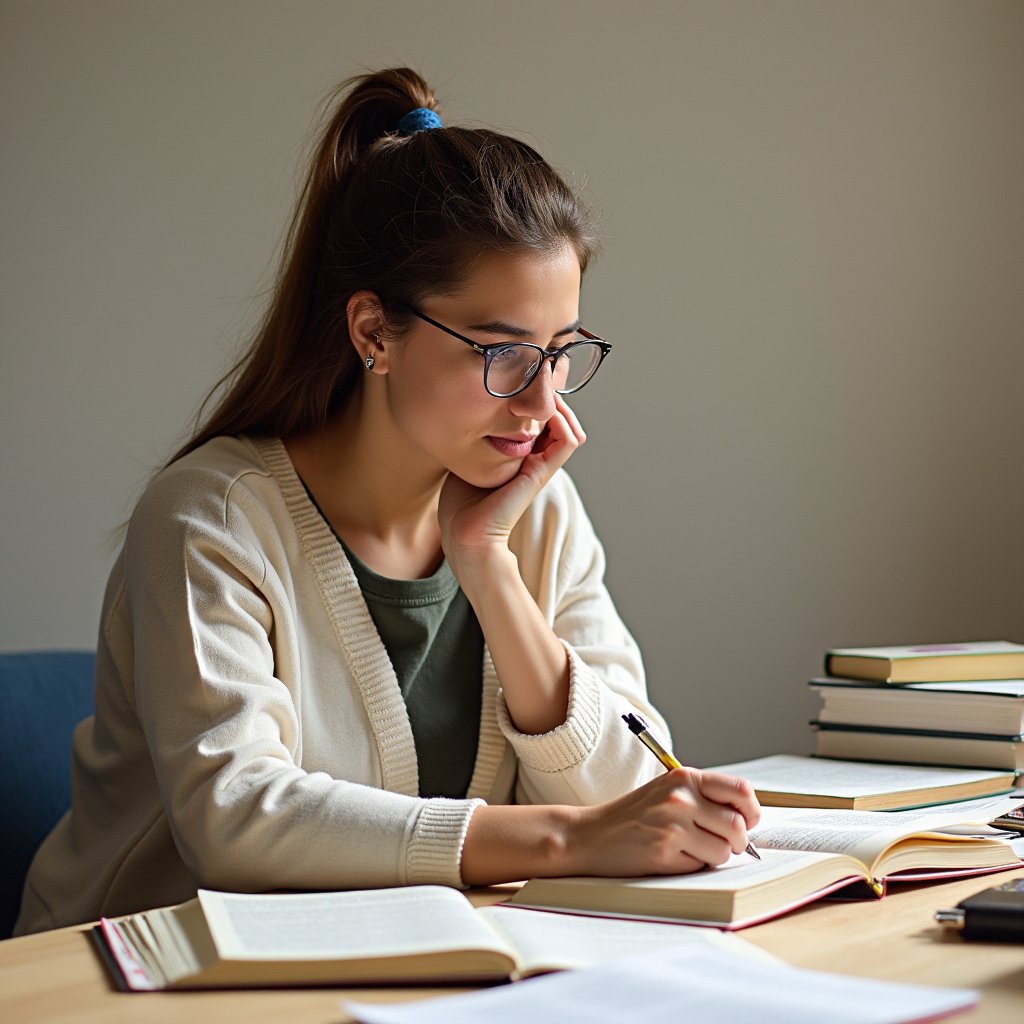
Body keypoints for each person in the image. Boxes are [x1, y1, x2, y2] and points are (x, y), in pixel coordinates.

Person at [15, 68, 759, 935]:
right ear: (374, 333)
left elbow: (633, 790)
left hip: (405, 964)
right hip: (143, 978)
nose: (541, 403)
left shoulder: (537, 512)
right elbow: (237, 820)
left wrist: (488, 569)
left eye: (561, 352)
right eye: (503, 353)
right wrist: (562, 839)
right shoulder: (214, 518)